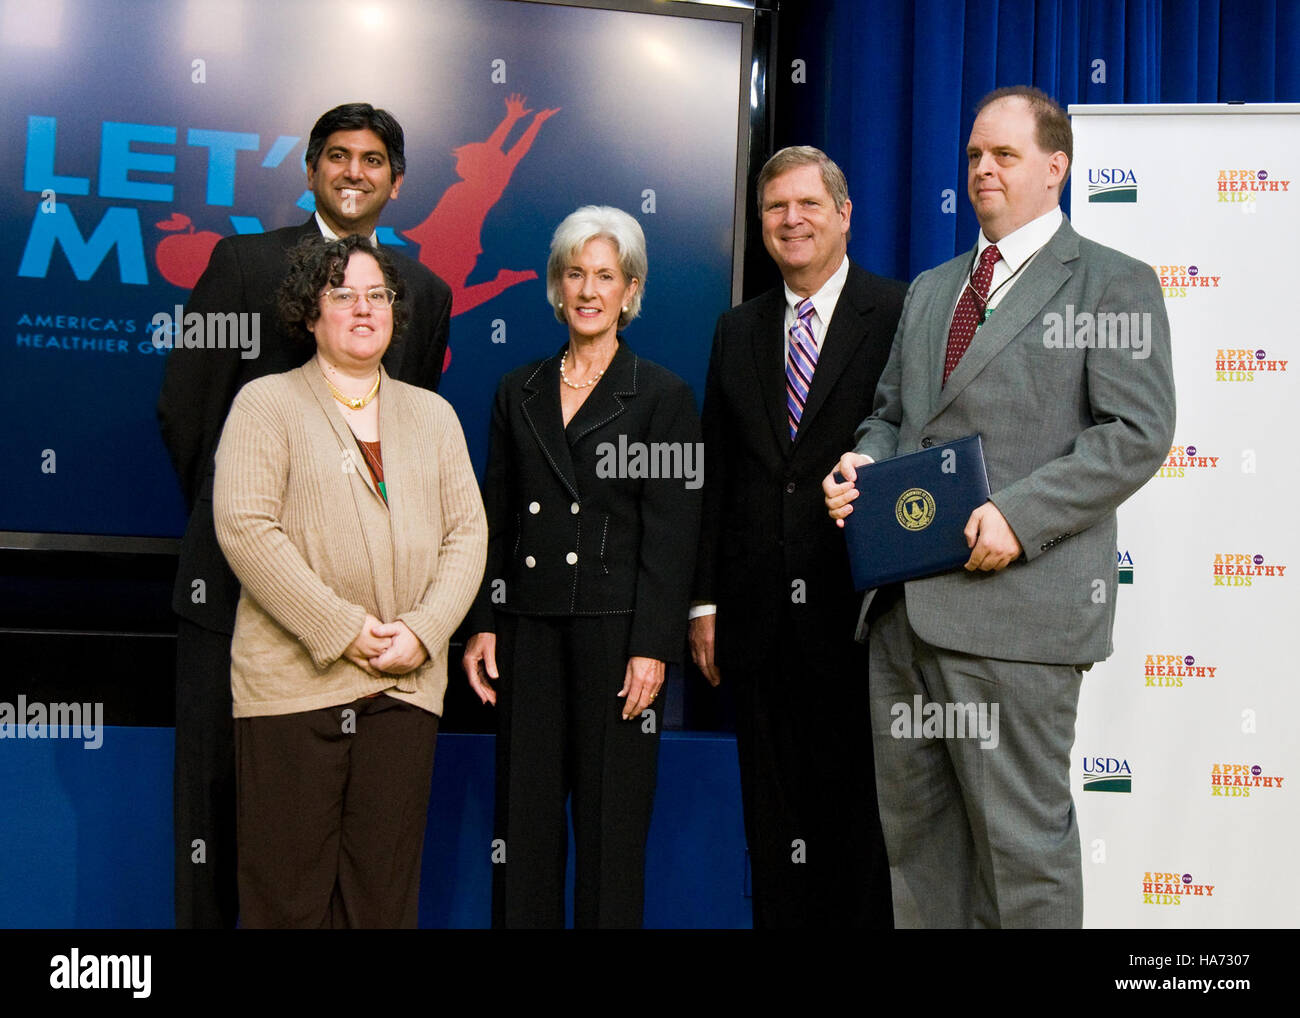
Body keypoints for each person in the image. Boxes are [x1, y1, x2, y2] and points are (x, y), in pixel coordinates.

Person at [823, 86, 1176, 928]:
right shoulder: (933, 289)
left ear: (1056, 168)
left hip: (1018, 621)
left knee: (1022, 860)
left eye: (1005, 155)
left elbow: (1137, 432)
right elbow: (891, 414)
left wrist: (1019, 514)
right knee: (919, 861)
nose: (982, 169)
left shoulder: (1114, 285)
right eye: (975, 155)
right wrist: (861, 463)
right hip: (903, 617)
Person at [157, 102, 453, 929]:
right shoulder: (243, 263)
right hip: (234, 595)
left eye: (371, 159)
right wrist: (248, 535)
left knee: (362, 854)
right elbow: (187, 412)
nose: (352, 172)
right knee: (225, 819)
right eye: (336, 156)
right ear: (311, 169)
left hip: (377, 622)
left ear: (396, 180)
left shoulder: (421, 292)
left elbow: (406, 437)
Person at [212, 234, 485, 928]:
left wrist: (422, 636)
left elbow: (468, 536)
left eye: (378, 295)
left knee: (382, 903)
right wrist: (344, 630)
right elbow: (245, 528)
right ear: (310, 312)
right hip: (292, 691)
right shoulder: (265, 404)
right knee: (285, 900)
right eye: (342, 295)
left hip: (403, 689)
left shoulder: (434, 417)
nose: (364, 309)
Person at [461, 206, 702, 928]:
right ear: (556, 287)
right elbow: (493, 518)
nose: (589, 290)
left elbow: (672, 535)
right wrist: (482, 624)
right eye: (575, 274)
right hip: (527, 630)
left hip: (615, 638)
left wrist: (653, 647)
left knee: (610, 834)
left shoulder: (663, 395)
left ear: (631, 291)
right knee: (523, 830)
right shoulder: (518, 389)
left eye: (606, 276)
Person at [690, 147, 903, 928]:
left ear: (845, 214)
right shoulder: (735, 327)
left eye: (809, 204)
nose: (792, 220)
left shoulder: (900, 310)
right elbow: (716, 471)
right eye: (776, 207)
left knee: (859, 834)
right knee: (773, 834)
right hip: (755, 623)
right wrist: (703, 600)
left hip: (861, 617)